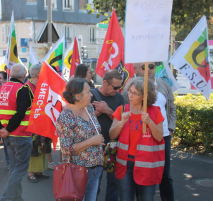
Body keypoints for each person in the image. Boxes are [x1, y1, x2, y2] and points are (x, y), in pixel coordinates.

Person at [122, 62, 176, 201]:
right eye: (144, 67)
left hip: (162, 135)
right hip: (141, 136)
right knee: (140, 172)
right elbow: (123, 108)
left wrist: (170, 128)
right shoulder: (130, 86)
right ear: (136, 68)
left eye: (151, 66)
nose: (148, 69)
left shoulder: (164, 84)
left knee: (165, 174)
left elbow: (171, 107)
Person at [110, 77, 165, 201]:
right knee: (125, 198)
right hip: (125, 164)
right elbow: (112, 135)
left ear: (144, 96)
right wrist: (121, 123)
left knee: (146, 198)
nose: (130, 95)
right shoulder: (122, 110)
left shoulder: (155, 111)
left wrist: (150, 121)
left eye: (135, 93)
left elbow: (159, 136)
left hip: (147, 165)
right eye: (130, 91)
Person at [56, 78, 105, 201]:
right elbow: (66, 149)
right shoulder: (66, 116)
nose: (91, 94)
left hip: (96, 167)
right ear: (78, 96)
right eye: (88, 92)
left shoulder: (89, 108)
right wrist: (93, 141)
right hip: (78, 171)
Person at [0, 64, 32, 201]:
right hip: (21, 134)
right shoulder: (23, 89)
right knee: (20, 169)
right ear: (25, 75)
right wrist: (8, 129)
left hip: (8, 135)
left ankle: (17, 198)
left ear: (10, 74)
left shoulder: (2, 88)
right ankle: (6, 198)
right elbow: (20, 113)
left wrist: (4, 129)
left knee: (13, 168)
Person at [91, 70, 125, 201]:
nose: (117, 90)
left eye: (119, 87)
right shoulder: (90, 95)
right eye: (115, 87)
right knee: (95, 183)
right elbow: (81, 123)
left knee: (114, 183)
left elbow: (123, 121)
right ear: (105, 82)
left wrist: (108, 111)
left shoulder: (119, 98)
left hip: (113, 145)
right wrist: (96, 115)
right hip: (95, 145)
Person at [26, 63, 51, 182]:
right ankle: (30, 172)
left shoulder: (43, 87)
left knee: (43, 148)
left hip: (43, 123)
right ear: (37, 73)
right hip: (31, 124)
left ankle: (39, 170)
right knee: (33, 149)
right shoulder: (27, 87)